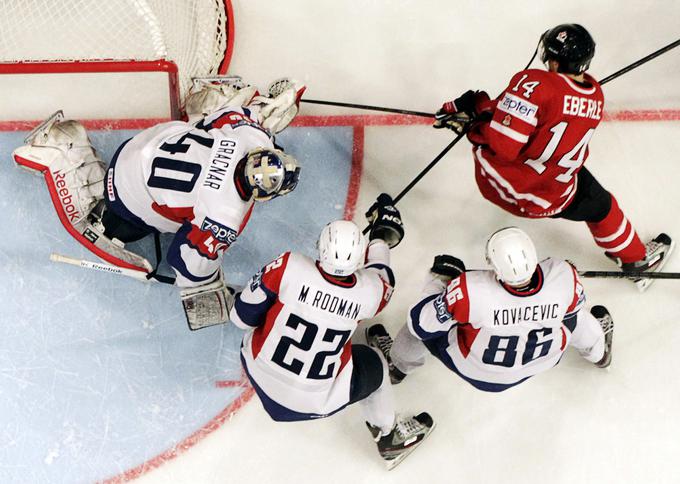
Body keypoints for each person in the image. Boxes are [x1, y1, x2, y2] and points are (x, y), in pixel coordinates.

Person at [13, 77, 304, 329]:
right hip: (123, 195)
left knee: (207, 125)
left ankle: (202, 101)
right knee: (126, 225)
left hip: (141, 145)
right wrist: (213, 290)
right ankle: (92, 198)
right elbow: (185, 263)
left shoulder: (249, 136)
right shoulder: (224, 215)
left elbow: (233, 117)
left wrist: (264, 111)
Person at [433, 23, 673, 291]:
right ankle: (636, 262)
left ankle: (637, 264)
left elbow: (503, 145)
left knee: (601, 205)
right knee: (603, 208)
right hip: (556, 184)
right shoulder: (596, 96)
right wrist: (484, 109)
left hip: (510, 184)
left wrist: (476, 122)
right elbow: (540, 115)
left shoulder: (535, 83)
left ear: (556, 63)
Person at [229, 197, 434, 470]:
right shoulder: (369, 293)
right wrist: (380, 237)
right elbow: (383, 276)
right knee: (376, 364)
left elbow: (240, 318)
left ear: (320, 247)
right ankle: (389, 437)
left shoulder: (290, 266)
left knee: (270, 308)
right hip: (313, 400)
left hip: (260, 372)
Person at [367, 227, 614, 392]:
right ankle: (599, 353)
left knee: (417, 332)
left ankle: (397, 367)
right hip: (543, 360)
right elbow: (564, 301)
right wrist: (565, 277)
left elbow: (420, 322)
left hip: (481, 372)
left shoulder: (470, 290)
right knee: (576, 316)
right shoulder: (564, 275)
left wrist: (440, 281)